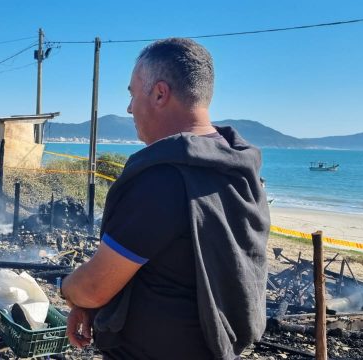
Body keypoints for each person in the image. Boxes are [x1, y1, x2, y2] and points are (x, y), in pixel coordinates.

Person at [60, 38, 270, 359]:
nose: (130, 108)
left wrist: (69, 292)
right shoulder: (240, 169)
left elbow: (93, 286)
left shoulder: (164, 176)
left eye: (132, 94)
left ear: (159, 93)